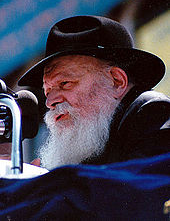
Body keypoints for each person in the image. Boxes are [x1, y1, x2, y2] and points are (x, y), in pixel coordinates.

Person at [0, 15, 169, 220]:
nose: (49, 102)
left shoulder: (154, 114)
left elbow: (143, 194)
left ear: (116, 81)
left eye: (65, 84)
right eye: (47, 91)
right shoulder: (92, 143)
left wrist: (43, 191)